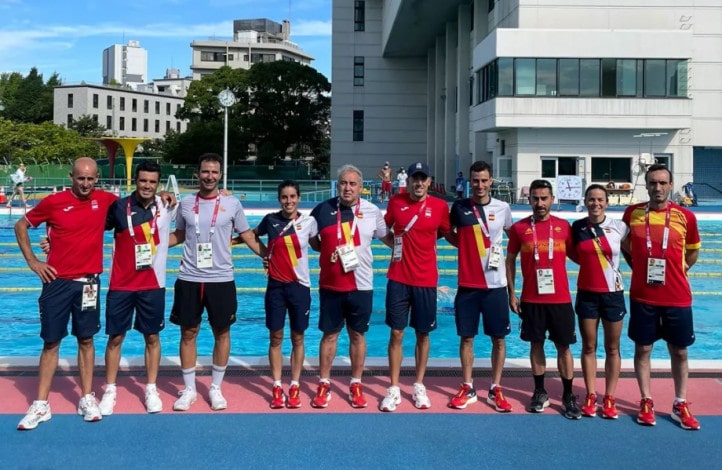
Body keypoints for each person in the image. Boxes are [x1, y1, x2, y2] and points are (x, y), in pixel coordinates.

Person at [14, 157, 117, 430]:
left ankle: (86, 397)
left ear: (97, 179)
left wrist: (165, 195)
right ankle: (41, 404)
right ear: (71, 177)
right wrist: (34, 262)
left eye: (90, 179)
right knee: (51, 343)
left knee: (86, 340)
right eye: (80, 178)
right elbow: (20, 226)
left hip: (88, 284)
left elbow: (138, 204)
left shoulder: (105, 200)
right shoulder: (52, 202)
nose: (85, 183)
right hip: (57, 283)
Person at [169, 153, 265, 411]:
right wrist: (149, 244)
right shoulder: (186, 203)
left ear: (220, 174)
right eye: (205, 171)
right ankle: (189, 389)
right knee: (188, 333)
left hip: (221, 279)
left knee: (222, 332)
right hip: (189, 277)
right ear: (197, 174)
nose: (209, 176)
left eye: (214, 172)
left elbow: (246, 235)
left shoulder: (232, 204)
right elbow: (178, 234)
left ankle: (215, 387)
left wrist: (270, 256)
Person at [621, 163, 701, 430]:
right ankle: (646, 399)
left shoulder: (685, 217)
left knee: (679, 351)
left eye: (662, 183)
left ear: (670, 185)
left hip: (677, 296)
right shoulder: (632, 214)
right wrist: (639, 269)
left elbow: (692, 253)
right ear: (646, 184)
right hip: (643, 296)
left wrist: (679, 271)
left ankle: (680, 402)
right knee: (643, 349)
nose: (657, 188)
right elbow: (625, 246)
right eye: (653, 183)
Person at [95, 161, 174, 416]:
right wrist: (53, 241)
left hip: (153, 284)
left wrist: (226, 194)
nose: (147, 186)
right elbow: (90, 231)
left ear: (158, 184)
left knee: (152, 337)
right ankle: (110, 389)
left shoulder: (166, 205)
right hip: (121, 284)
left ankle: (150, 388)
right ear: (135, 181)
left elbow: (202, 206)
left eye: (152, 182)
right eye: (143, 181)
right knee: (115, 337)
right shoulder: (118, 208)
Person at [308, 164, 387, 409]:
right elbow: (312, 240)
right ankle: (324, 382)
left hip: (361, 285)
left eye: (353, 184)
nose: (347, 188)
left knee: (357, 334)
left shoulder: (373, 211)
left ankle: (356, 383)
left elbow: (388, 238)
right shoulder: (322, 210)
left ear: (361, 188)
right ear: (338, 185)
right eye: (343, 183)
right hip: (331, 284)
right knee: (329, 335)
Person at [505, 179, 581, 419]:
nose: (540, 203)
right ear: (529, 200)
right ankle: (540, 391)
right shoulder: (519, 229)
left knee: (564, 347)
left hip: (560, 300)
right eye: (535, 198)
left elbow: (581, 256)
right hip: (532, 299)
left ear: (552, 199)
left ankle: (568, 394)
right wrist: (512, 293)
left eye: (544, 198)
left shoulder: (564, 227)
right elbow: (509, 261)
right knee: (535, 345)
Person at [379, 161, 451, 412]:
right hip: (398, 277)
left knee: (423, 334)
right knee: (396, 333)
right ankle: (394, 387)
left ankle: (419, 384)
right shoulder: (396, 202)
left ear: (429, 182)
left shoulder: (440, 207)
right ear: (407, 181)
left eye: (423, 179)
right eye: (414, 179)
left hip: (426, 280)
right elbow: (382, 229)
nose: (419, 183)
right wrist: (395, 246)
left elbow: (445, 233)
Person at [444, 161, 514, 412]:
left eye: (484, 180)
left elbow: (512, 240)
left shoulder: (503, 208)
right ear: (469, 182)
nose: (480, 185)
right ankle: (467, 385)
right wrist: (464, 246)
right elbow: (449, 233)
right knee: (467, 338)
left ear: (491, 181)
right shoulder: (460, 207)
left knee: (499, 338)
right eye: (475, 181)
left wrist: (513, 290)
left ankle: (496, 387)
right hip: (468, 284)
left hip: (495, 285)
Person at [254, 180, 318, 409]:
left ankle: (295, 385)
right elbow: (249, 236)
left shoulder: (309, 222)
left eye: (292, 197)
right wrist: (264, 253)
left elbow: (319, 245)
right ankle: (277, 386)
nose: (289, 201)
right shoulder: (270, 220)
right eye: (284, 197)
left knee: (298, 338)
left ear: (298, 198)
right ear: (279, 199)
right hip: (276, 287)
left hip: (300, 286)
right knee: (276, 338)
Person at [570, 184, 629, 419]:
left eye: (600, 200)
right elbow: (574, 254)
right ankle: (591, 394)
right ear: (585, 202)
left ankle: (610, 397)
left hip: (613, 294)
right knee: (589, 347)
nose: (596, 204)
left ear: (607, 202)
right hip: (587, 293)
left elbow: (633, 252)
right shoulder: (577, 227)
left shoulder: (619, 227)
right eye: (591, 199)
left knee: (612, 348)